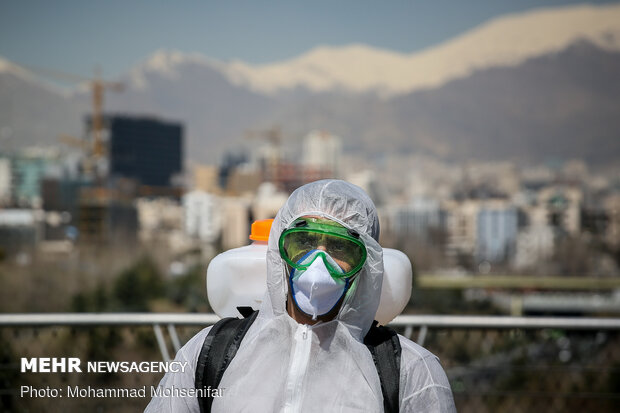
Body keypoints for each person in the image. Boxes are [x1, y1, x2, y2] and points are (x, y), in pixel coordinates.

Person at [145, 179, 456, 412]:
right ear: (280, 248)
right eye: (303, 242)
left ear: (366, 264)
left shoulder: (411, 374)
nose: (318, 264)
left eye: (339, 248)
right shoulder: (207, 354)